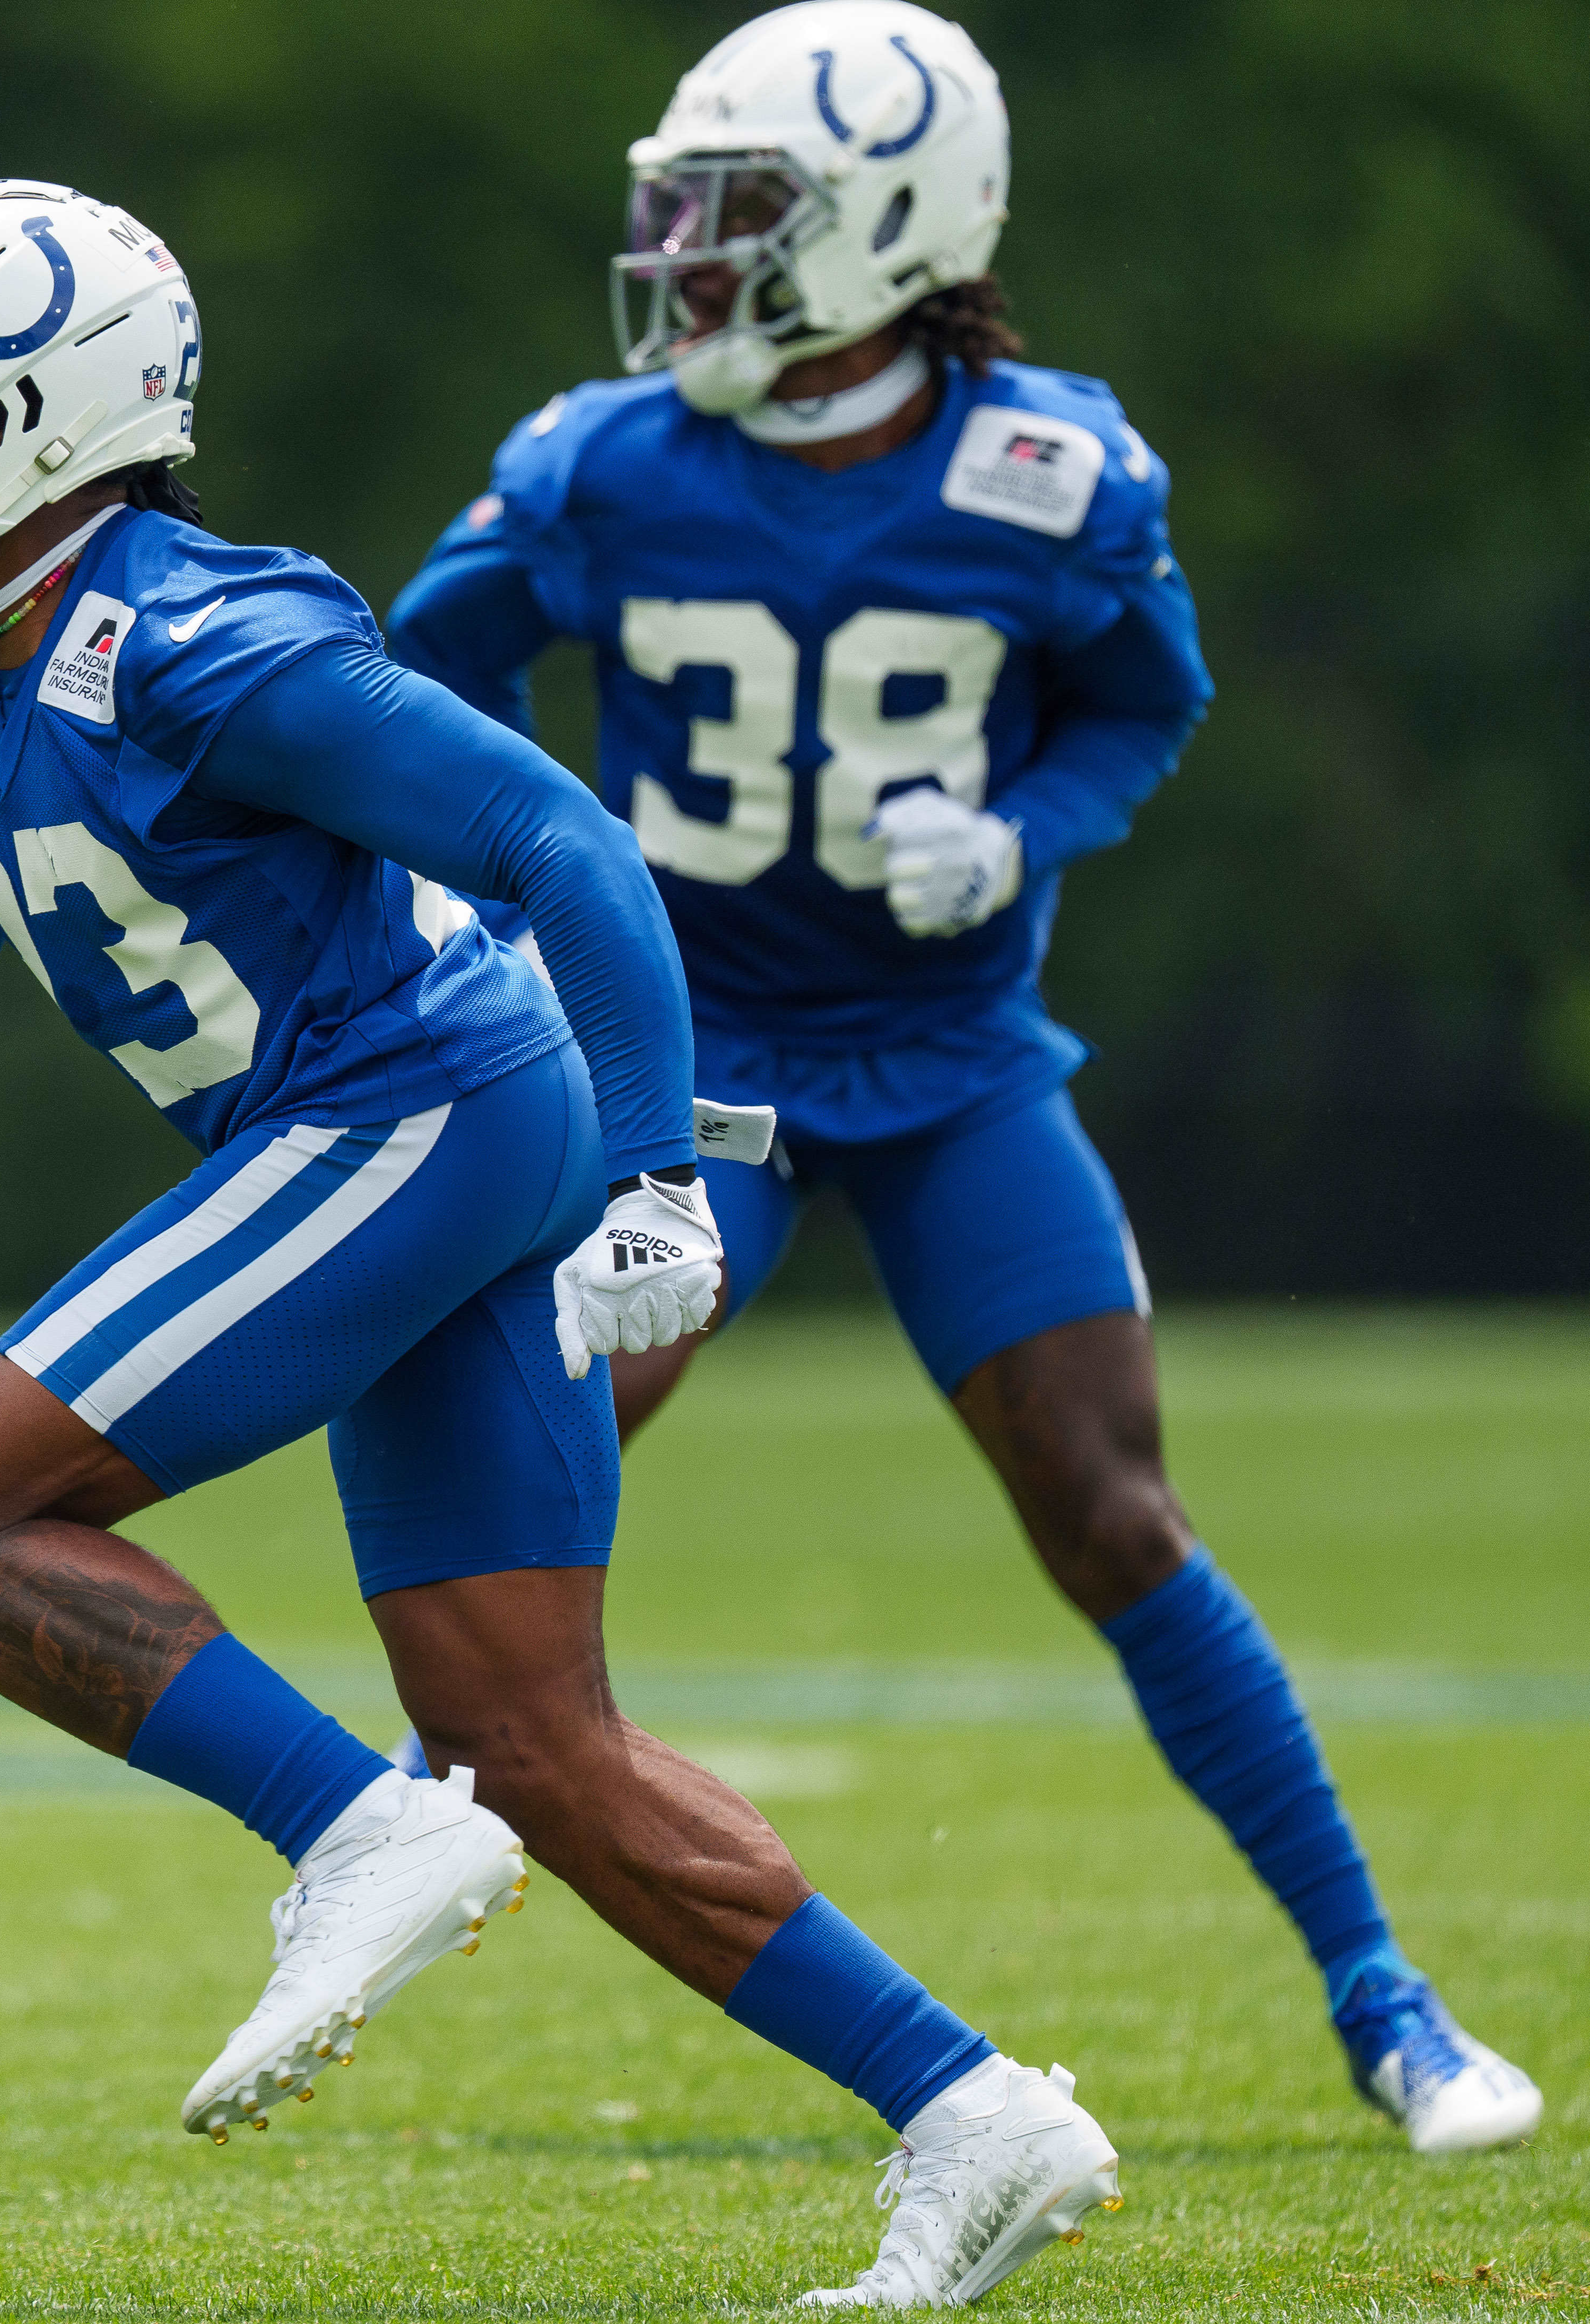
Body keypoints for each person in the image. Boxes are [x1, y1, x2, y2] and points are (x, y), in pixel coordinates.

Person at [0, 177, 1126, 2311]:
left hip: (424, 1106)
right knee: (535, 1743)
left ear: (18, 429)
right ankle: (971, 2111)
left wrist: (660, 1172)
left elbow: (551, 837)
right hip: (403, 1128)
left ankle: (345, 1830)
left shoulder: (190, 638)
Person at [383, 0, 1540, 2160]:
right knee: (530, 1446)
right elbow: (397, 700)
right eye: (683, 215)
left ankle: (1381, 1995)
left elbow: (1136, 711)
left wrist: (1022, 834)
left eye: (739, 222)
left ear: (891, 232)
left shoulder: (1052, 468)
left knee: (1109, 1514)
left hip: (943, 1063)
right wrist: (504, 916)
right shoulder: (595, 463)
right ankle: (401, 1844)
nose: (688, 265)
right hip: (681, 1072)